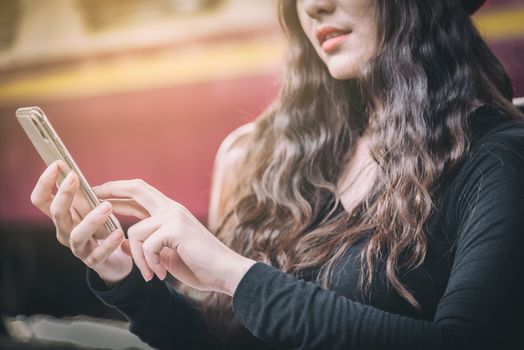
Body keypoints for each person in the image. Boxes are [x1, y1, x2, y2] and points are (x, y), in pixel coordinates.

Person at [30, 0, 524, 349]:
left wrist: (231, 272)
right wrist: (123, 275)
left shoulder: (496, 157)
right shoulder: (287, 160)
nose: (313, 7)